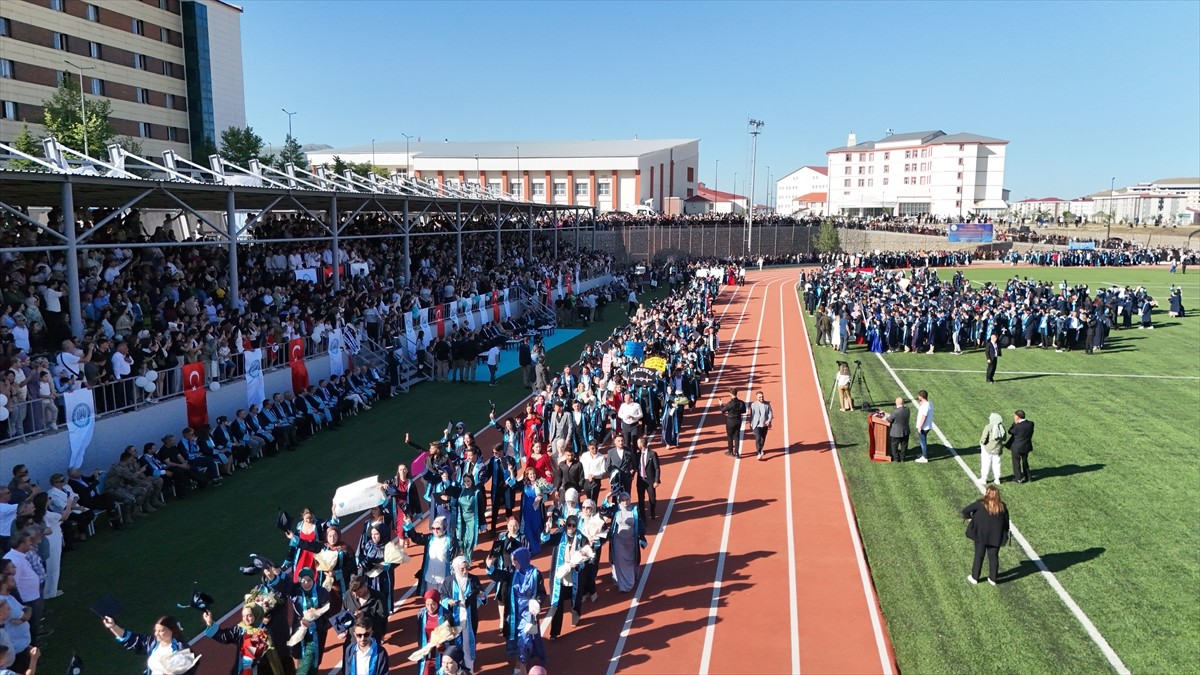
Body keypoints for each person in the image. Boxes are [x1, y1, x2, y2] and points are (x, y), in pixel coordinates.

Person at [486, 546, 546, 673]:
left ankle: (521, 667)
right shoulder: (513, 573)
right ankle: (520, 663)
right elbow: (499, 576)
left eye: (515, 560)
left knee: (525, 639)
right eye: (513, 561)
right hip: (514, 611)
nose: (513, 563)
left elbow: (541, 592)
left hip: (528, 612)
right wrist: (490, 567)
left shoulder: (536, 574)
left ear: (523, 559)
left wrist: (537, 602)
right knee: (515, 639)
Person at [542, 515, 591, 640]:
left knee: (576, 600)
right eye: (569, 524)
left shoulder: (582, 538)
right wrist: (547, 530)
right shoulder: (559, 536)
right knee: (557, 604)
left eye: (574, 525)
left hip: (574, 576)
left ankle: (575, 616)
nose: (571, 527)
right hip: (561, 577)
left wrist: (579, 564)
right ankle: (554, 632)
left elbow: (588, 557)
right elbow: (545, 540)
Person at [201, 603, 286, 674]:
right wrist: (210, 622)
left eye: (249, 616)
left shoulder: (264, 629)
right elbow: (224, 637)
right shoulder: (240, 629)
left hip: (264, 668)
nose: (245, 619)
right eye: (244, 616)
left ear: (256, 614)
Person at [101, 613, 199, 675]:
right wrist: (113, 626)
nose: (157, 634)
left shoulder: (181, 649)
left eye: (161, 631)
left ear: (172, 630)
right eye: (156, 630)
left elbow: (189, 669)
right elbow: (131, 639)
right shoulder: (153, 643)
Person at [437, 556, 483, 671]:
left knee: (468, 645)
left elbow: (481, 592)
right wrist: (449, 601)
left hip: (469, 619)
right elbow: (442, 596)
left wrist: (481, 595)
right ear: (456, 568)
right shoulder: (448, 581)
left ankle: (469, 669)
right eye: (462, 569)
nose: (465, 571)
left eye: (467, 568)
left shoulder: (473, 579)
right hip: (454, 620)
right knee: (454, 646)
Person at [963, 485, 1010, 586]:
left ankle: (975, 577)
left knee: (979, 556)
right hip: (996, 537)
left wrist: (970, 519)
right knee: (993, 557)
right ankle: (993, 578)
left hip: (981, 535)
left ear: (987, 493)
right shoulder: (1002, 506)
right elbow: (1006, 523)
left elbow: (965, 511)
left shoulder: (980, 504)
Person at [403, 514, 457, 597]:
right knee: (430, 600)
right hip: (430, 578)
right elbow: (416, 538)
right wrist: (409, 524)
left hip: (444, 578)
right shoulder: (429, 539)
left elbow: (455, 557)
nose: (435, 530)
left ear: (444, 528)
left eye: (438, 528)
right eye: (433, 528)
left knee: (444, 602)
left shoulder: (450, 541)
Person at [605, 491, 646, 593]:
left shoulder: (635, 510)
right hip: (618, 541)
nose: (625, 502)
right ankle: (623, 586)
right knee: (620, 562)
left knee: (630, 562)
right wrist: (606, 499)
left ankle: (630, 580)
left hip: (631, 542)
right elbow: (603, 511)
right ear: (619, 501)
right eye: (623, 500)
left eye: (627, 499)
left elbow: (640, 524)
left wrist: (642, 536)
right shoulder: (615, 510)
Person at [976, 413, 1007, 486]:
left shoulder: (988, 427)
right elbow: (1004, 438)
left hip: (988, 448)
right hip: (998, 449)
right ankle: (997, 479)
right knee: (997, 464)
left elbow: (983, 438)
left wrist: (982, 443)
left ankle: (984, 479)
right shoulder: (1002, 427)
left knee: (985, 463)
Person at [1005, 410, 1035, 483]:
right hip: (1026, 447)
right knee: (1025, 462)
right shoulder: (1031, 424)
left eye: (1015, 416)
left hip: (1017, 448)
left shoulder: (1017, 426)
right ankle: (1028, 477)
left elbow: (1010, 431)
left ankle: (1018, 478)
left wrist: (1014, 424)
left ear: (1018, 417)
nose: (1014, 417)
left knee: (1016, 463)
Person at [634, 438, 660, 520]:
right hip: (641, 480)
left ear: (641, 445)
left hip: (650, 481)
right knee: (641, 500)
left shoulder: (652, 454)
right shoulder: (637, 455)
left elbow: (657, 468)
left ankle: (652, 511)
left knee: (652, 499)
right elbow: (636, 467)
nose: (637, 445)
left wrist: (656, 480)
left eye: (638, 443)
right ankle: (642, 516)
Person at [718, 388, 745, 458]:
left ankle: (730, 451)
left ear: (730, 394)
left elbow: (723, 410)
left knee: (730, 436)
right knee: (737, 436)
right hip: (738, 421)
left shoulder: (730, 403)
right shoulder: (741, 402)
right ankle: (737, 453)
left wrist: (721, 404)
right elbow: (744, 411)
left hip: (730, 421)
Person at [748, 390, 774, 460]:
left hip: (764, 424)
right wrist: (750, 423)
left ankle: (761, 448)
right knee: (758, 438)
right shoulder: (753, 405)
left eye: (762, 397)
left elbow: (770, 413)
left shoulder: (767, 404)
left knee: (763, 439)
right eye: (759, 397)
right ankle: (759, 453)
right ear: (756, 397)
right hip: (756, 425)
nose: (761, 398)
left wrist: (769, 420)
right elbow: (751, 415)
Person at [883, 397, 910, 463]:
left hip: (896, 433)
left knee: (894, 446)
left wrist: (885, 417)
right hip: (905, 431)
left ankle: (896, 458)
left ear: (896, 403)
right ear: (903, 403)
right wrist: (888, 414)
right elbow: (898, 417)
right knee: (904, 445)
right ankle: (903, 458)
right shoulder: (907, 410)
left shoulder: (895, 412)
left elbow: (890, 419)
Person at [914, 390, 933, 464]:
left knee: (922, 441)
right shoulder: (929, 403)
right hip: (927, 426)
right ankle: (924, 455)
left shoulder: (925, 405)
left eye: (919, 396)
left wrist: (920, 427)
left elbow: (923, 417)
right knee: (923, 440)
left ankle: (924, 457)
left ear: (921, 397)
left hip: (924, 427)